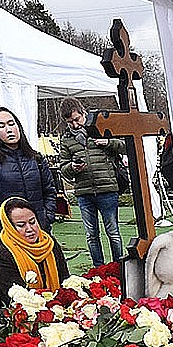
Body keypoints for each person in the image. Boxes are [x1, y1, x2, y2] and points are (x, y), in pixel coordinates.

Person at [57, 97, 125, 267]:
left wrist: (108, 142)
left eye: (76, 119)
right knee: (91, 235)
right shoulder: (66, 140)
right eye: (69, 122)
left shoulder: (101, 127)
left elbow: (125, 145)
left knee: (113, 232)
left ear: (83, 113)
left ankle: (120, 266)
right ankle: (98, 269)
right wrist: (73, 167)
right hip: (84, 193)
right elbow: (63, 167)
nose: (74, 125)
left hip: (107, 189)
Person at [0, 107, 56, 233]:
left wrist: (47, 217)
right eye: (1, 126)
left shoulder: (36, 158)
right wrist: (4, 222)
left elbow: (50, 190)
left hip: (40, 228)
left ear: (18, 126)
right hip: (10, 233)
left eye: (11, 124)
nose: (9, 130)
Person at [0, 197, 70, 304]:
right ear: (10, 227)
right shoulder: (1, 255)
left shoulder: (49, 243)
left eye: (32, 222)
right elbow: (15, 296)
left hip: (55, 305)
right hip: (20, 310)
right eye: (21, 225)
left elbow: (64, 278)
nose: (30, 229)